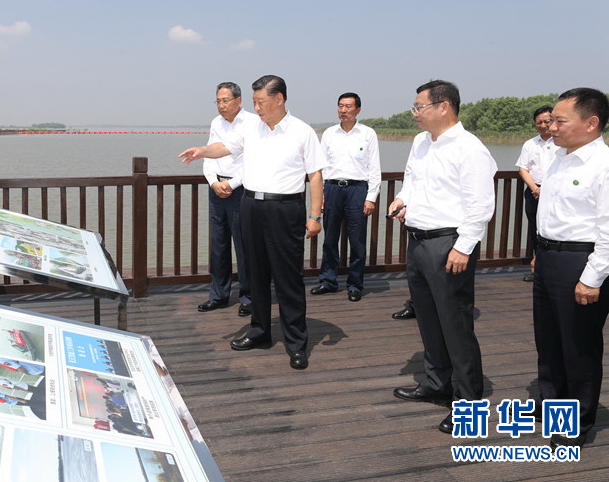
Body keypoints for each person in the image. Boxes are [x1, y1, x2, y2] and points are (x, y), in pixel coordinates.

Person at [179, 75, 325, 370]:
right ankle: (259, 331)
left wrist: (314, 216)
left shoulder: (302, 131)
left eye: (261, 102)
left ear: (279, 99)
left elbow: (315, 175)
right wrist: (202, 151)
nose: (256, 108)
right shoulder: (251, 129)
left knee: (288, 278)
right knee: (255, 273)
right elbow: (225, 147)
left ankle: (296, 343)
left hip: (285, 208)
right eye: (255, 102)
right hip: (251, 206)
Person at [388, 80, 496, 434]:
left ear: (444, 106)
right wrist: (402, 199)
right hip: (418, 241)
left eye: (419, 107)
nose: (414, 113)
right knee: (428, 319)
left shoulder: (470, 149)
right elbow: (411, 180)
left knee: (455, 324)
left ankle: (468, 401)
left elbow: (481, 204)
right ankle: (437, 383)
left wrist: (464, 247)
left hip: (449, 243)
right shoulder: (420, 142)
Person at [532, 87, 609, 450]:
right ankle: (551, 402)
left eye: (560, 121)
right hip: (548, 257)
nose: (552, 127)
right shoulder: (558, 158)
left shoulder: (603, 164)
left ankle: (577, 419)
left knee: (579, 344)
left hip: (581, 261)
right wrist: (539, 251)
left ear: (591, 123)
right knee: (548, 339)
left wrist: (592, 278)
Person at [310, 92, 381, 302]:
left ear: (358, 110)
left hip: (357, 190)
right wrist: (321, 195)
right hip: (332, 189)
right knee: (330, 238)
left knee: (357, 240)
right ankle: (328, 281)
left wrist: (371, 197)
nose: (343, 110)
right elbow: (321, 167)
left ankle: (355, 285)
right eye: (340, 106)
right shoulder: (329, 134)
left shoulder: (367, 134)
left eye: (348, 106)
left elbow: (374, 168)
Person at [198, 82, 259, 316]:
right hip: (217, 190)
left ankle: (248, 297)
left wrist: (231, 184)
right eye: (218, 101)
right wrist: (213, 182)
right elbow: (209, 155)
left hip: (241, 189)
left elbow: (253, 160)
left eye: (226, 100)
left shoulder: (253, 122)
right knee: (218, 245)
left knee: (244, 246)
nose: (221, 105)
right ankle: (218, 295)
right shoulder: (216, 122)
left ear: (239, 100)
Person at [516, 105, 555, 281]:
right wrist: (535, 188)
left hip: (555, 193)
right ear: (535, 123)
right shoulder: (529, 144)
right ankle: (538, 269)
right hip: (534, 192)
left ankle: (552, 269)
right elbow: (523, 169)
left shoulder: (561, 142)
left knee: (553, 229)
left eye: (547, 121)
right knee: (535, 229)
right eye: (539, 122)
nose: (543, 125)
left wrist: (545, 190)